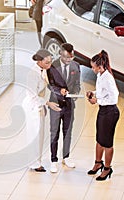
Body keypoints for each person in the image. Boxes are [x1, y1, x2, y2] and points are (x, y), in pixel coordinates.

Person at [46, 43, 81, 173]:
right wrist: (59, 90)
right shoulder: (52, 66)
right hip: (55, 104)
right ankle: (53, 160)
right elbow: (49, 85)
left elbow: (77, 83)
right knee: (54, 132)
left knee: (68, 132)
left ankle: (66, 156)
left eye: (70, 57)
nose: (68, 60)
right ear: (61, 53)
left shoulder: (76, 66)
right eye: (66, 57)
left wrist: (76, 93)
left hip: (69, 105)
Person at [86, 50, 120, 181]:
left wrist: (97, 101)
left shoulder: (108, 78)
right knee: (99, 139)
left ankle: (107, 168)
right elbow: (102, 91)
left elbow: (114, 97)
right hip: (103, 111)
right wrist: (93, 93)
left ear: (100, 66)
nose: (92, 68)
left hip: (110, 112)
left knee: (107, 142)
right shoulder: (100, 75)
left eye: (93, 67)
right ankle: (97, 163)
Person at [22, 49, 53, 172]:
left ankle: (37, 161)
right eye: (47, 62)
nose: (49, 65)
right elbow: (32, 95)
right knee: (34, 136)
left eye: (50, 62)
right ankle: (34, 163)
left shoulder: (44, 70)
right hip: (33, 107)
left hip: (39, 105)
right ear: (39, 61)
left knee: (39, 136)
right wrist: (46, 103)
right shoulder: (32, 74)